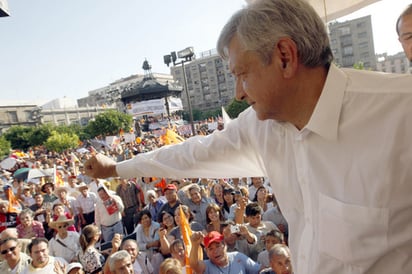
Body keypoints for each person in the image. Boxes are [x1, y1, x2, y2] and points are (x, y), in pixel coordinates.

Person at [84, 0, 412, 272]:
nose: (239, 93)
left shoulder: (402, 113)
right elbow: (188, 154)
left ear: (285, 57)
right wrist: (115, 169)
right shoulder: (258, 126)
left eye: (241, 74)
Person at [189, 230, 261, 274]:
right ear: (206, 252)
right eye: (211, 249)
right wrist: (195, 245)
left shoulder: (237, 257)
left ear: (224, 245)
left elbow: (259, 270)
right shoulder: (206, 266)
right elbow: (194, 264)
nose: (215, 251)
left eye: (218, 246)